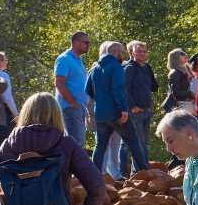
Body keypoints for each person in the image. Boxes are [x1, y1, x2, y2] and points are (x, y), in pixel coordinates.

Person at [88, 41, 131, 177]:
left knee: (115, 143)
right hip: (101, 113)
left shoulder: (117, 67)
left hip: (116, 112)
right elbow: (89, 94)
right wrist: (90, 113)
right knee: (102, 144)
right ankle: (99, 172)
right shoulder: (95, 69)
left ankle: (114, 173)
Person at [119, 41, 158, 178]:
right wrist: (132, 107)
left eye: (144, 51)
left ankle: (138, 172)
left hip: (146, 111)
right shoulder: (130, 68)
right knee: (138, 143)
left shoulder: (146, 68)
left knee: (144, 143)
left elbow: (154, 87)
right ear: (132, 53)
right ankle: (142, 171)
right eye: (139, 51)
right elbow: (124, 88)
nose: (142, 53)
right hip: (136, 112)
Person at [53, 31, 91, 144]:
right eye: (86, 42)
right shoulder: (64, 59)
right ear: (76, 42)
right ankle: (73, 162)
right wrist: (72, 103)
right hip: (70, 107)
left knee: (77, 141)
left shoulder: (78, 60)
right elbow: (59, 83)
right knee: (76, 141)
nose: (88, 45)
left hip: (78, 107)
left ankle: (72, 162)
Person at [0, 50, 18, 144]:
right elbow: (7, 97)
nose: (6, 62)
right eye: (5, 60)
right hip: (2, 111)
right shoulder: (3, 75)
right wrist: (15, 113)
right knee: (4, 140)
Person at [165, 48, 196, 114]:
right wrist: (190, 94)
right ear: (176, 57)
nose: (186, 55)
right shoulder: (175, 72)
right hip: (179, 108)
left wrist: (190, 98)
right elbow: (175, 92)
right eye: (182, 54)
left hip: (185, 106)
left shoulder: (183, 72)